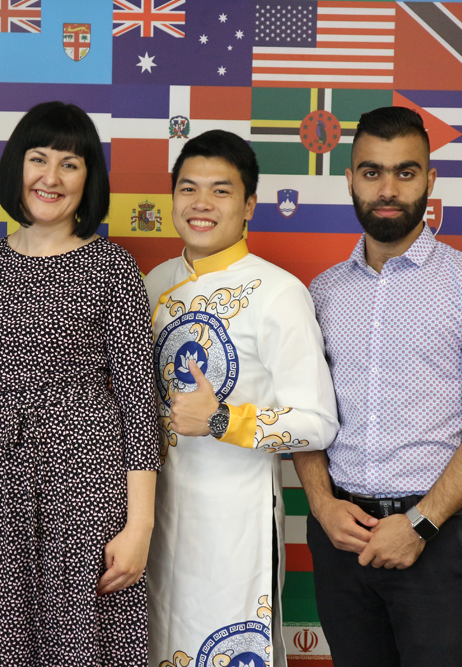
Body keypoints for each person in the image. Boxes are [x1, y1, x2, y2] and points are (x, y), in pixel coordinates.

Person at [292, 106, 462, 666]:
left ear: (429, 179)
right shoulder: (320, 293)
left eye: (405, 172)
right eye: (372, 172)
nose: (388, 189)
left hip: (436, 540)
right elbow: (303, 413)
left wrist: (420, 524)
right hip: (341, 539)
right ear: (350, 180)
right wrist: (322, 506)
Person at [0, 101, 160, 666]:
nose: (52, 177)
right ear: (16, 165)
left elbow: (138, 402)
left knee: (78, 640)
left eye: (70, 164)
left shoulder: (114, 268)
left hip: (87, 487)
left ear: (89, 179)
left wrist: (140, 525)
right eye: (39, 159)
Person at [145, 129, 338, 667]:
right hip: (154, 517)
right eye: (188, 188)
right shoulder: (153, 282)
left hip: (233, 523)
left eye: (221, 190)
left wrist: (222, 419)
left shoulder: (279, 292)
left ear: (250, 204)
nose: (201, 203)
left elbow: (318, 422)